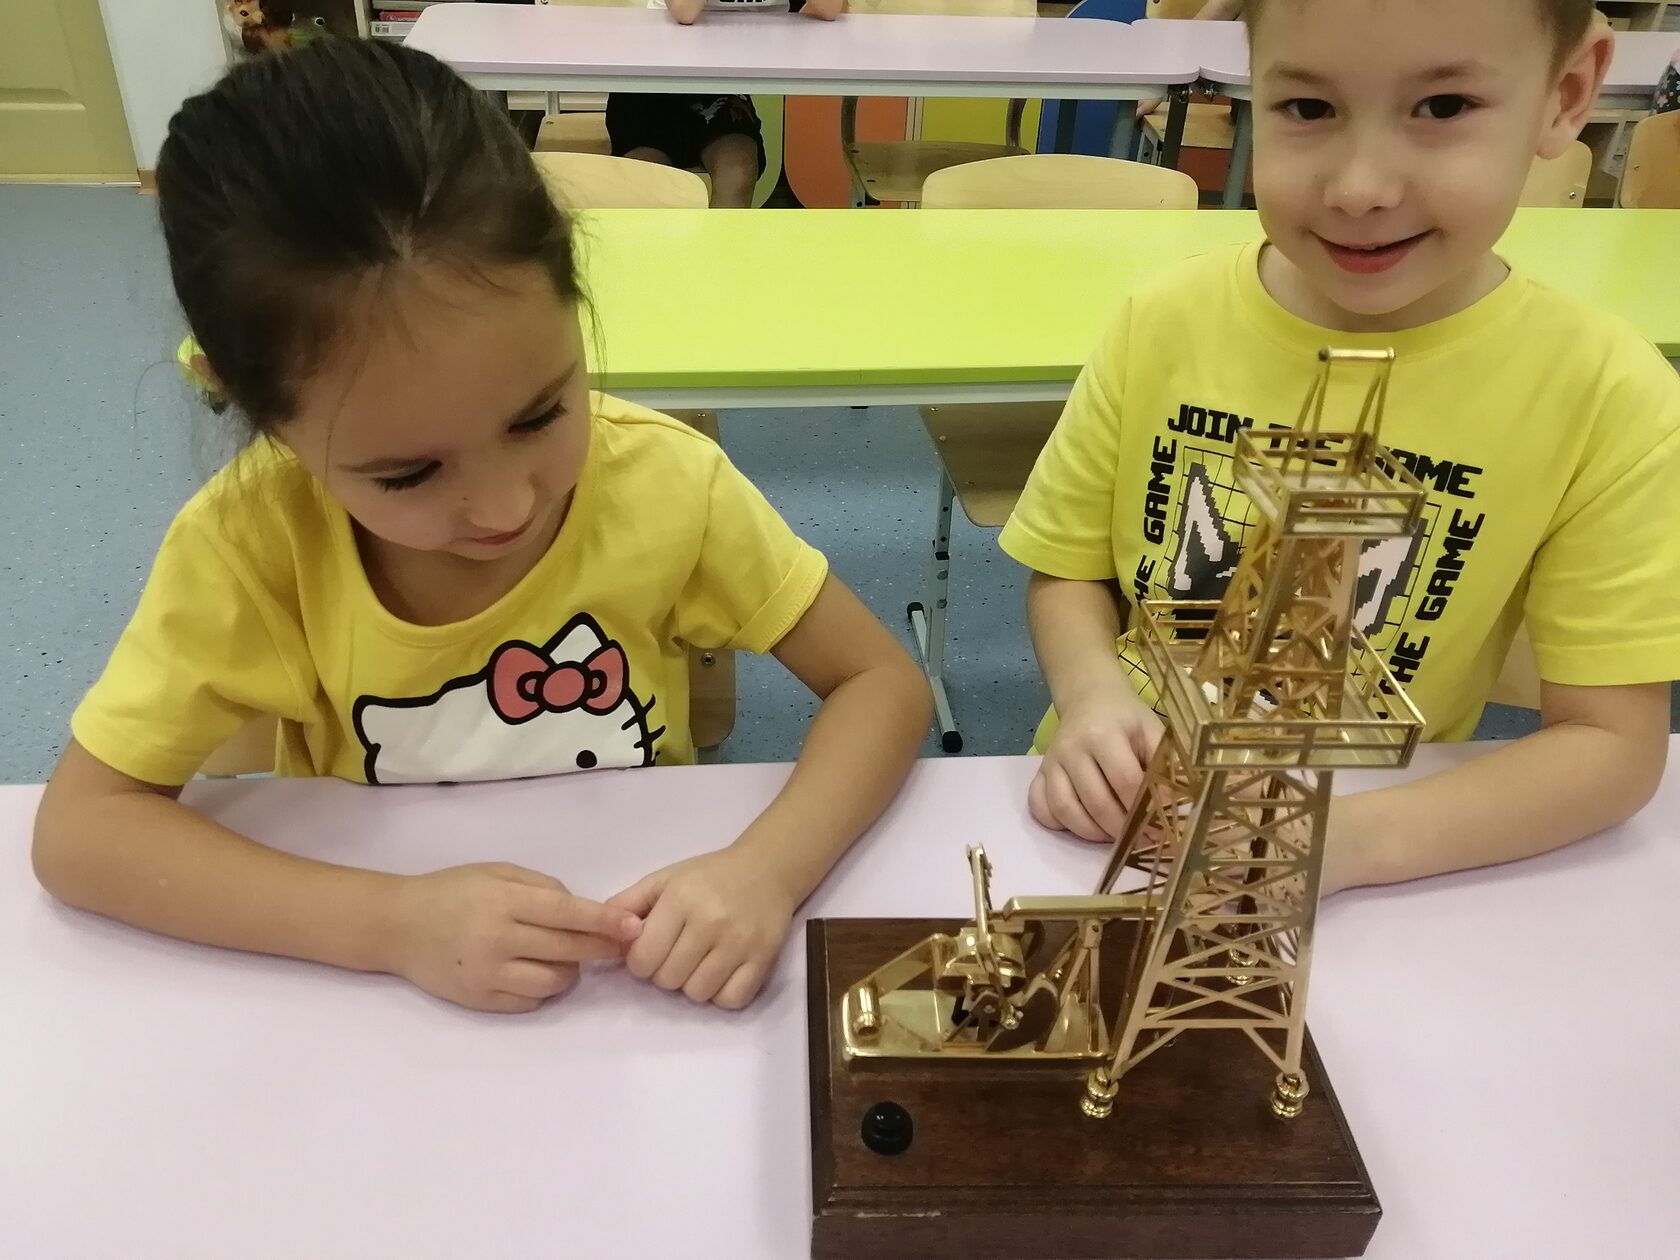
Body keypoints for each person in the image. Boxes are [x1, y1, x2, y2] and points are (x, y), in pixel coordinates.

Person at [31, 38, 931, 1015]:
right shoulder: (248, 545)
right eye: (407, 474)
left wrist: (766, 871)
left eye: (540, 414)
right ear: (258, 411)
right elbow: (81, 831)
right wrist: (387, 925)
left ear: (574, 294)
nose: (507, 509)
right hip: (381, 1011)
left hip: (634, 989)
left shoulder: (668, 483)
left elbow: (880, 683)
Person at [1000, 0, 1680, 895]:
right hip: (1098, 819)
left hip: (1381, 845)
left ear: (1567, 93)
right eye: (1309, 108)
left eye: (1443, 107)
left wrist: (1337, 843)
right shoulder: (1161, 321)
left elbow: (1613, 747)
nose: (1360, 188)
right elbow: (1068, 571)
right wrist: (1093, 698)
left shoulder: (1610, 397)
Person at [603, 0, 845, 208]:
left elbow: (830, 8)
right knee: (647, 182)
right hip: (657, 81)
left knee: (738, 171)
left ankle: (720, 249)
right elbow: (684, 11)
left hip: (722, 88)